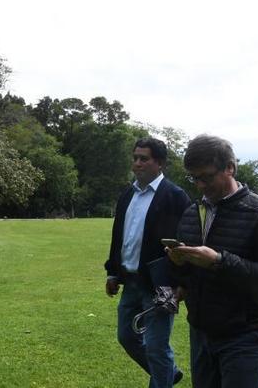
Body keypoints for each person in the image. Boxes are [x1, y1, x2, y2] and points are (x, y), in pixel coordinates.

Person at [168, 135, 258, 387]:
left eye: (207, 176)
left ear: (230, 167)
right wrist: (180, 269)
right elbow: (190, 272)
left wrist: (219, 261)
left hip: (246, 337)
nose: (201, 185)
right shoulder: (192, 212)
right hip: (201, 332)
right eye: (195, 178)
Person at [105, 138, 191, 387]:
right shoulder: (127, 194)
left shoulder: (175, 196)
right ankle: (168, 373)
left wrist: (181, 284)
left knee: (156, 346)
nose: (137, 163)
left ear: (160, 163)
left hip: (162, 285)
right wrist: (113, 273)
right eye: (135, 158)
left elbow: (185, 243)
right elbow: (118, 236)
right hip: (131, 282)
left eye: (144, 158)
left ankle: (162, 377)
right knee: (126, 337)